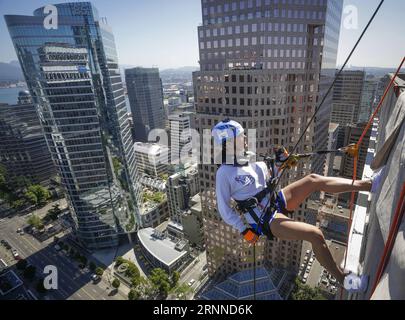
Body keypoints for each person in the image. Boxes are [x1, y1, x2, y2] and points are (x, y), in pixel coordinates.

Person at [212, 119, 376, 293]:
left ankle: (369, 185)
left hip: (274, 201)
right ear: (228, 144)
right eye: (240, 136)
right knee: (315, 234)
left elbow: (269, 179)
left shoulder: (250, 156)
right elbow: (224, 208)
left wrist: (281, 163)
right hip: (263, 219)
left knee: (313, 179)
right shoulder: (224, 173)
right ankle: (347, 282)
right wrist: (244, 230)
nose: (245, 137)